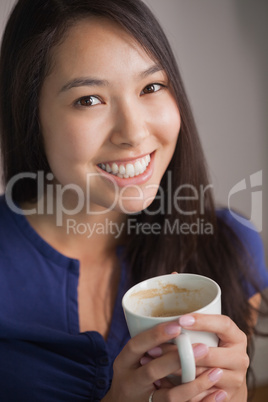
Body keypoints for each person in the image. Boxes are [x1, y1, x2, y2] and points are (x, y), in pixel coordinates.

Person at [0, 0, 267, 401]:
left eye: (151, 87)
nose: (134, 132)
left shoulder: (229, 246)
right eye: (90, 99)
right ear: (30, 114)